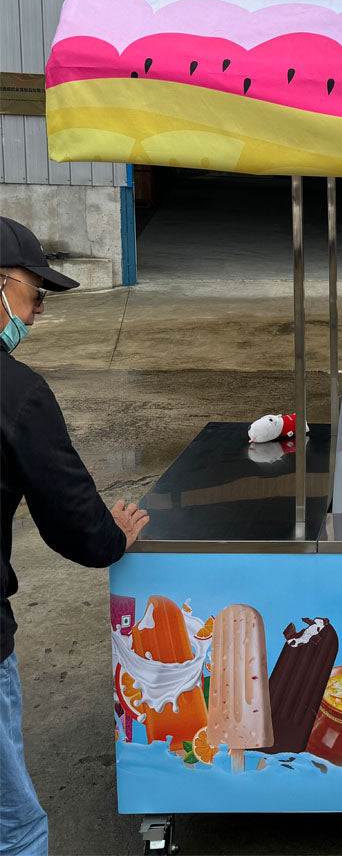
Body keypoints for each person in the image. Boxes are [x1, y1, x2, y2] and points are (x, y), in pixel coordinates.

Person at [0, 216, 149, 856]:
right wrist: (111, 537)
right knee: (16, 826)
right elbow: (76, 523)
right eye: (34, 298)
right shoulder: (17, 395)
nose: (33, 318)